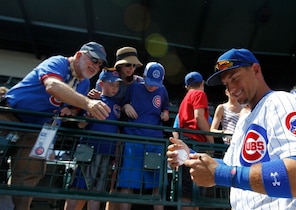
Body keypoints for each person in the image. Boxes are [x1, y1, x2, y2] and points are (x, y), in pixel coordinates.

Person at [167, 48, 296, 210]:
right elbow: (231, 166)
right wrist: (191, 155)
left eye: (235, 78)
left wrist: (221, 175)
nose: (231, 88)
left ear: (255, 70)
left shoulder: (283, 102)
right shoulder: (244, 118)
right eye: (226, 84)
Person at [0, 41, 111, 210]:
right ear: (80, 55)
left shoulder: (84, 84)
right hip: (9, 116)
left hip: (38, 130)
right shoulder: (58, 62)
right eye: (94, 60)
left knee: (29, 175)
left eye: (100, 64)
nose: (96, 66)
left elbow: (72, 110)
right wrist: (87, 103)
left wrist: (73, 112)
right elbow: (52, 85)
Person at [64, 70, 122, 210]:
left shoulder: (117, 105)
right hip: (88, 149)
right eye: (111, 84)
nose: (114, 87)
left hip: (107, 152)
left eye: (117, 85)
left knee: (97, 191)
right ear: (101, 84)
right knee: (78, 188)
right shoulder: (91, 100)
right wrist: (89, 117)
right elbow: (80, 124)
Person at [117, 62, 169, 210]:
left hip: (154, 143)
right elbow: (122, 104)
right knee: (128, 183)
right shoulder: (134, 87)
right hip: (133, 141)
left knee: (157, 184)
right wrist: (125, 106)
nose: (153, 87)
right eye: (150, 82)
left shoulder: (162, 90)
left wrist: (165, 113)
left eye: (156, 84)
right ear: (144, 76)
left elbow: (165, 107)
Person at [174, 71, 214, 210]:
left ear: (187, 86)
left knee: (188, 185)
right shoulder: (200, 94)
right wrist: (210, 140)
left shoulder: (185, 98)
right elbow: (199, 117)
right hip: (196, 142)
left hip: (186, 141)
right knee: (197, 184)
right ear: (202, 83)